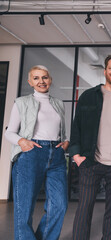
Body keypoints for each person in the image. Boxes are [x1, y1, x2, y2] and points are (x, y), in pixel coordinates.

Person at [69, 52, 111, 240]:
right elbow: (77, 126)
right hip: (90, 162)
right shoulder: (89, 96)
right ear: (105, 71)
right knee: (84, 208)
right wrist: (76, 155)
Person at [5, 65, 68, 240]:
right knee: (24, 209)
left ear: (50, 80)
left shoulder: (58, 103)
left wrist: (66, 141)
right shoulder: (21, 102)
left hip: (56, 155)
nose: (41, 81)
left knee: (60, 205)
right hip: (31, 155)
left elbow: (60, 130)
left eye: (45, 77)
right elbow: (9, 132)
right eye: (36, 78)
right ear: (30, 81)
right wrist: (22, 141)